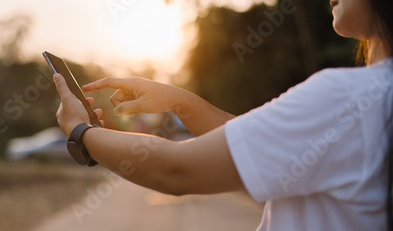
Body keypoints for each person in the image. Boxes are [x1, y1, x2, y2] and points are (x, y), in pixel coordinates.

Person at [53, 0, 393, 230]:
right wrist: (179, 101)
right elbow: (256, 145)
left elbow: (176, 169)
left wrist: (80, 131)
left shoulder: (347, 96)